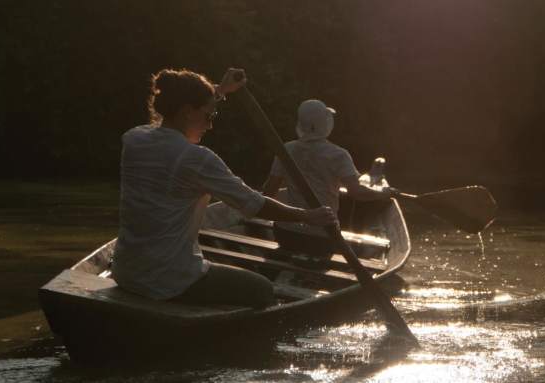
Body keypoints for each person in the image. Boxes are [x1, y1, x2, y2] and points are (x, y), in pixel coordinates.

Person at [111, 68, 336, 309]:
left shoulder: (134, 139)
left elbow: (172, 118)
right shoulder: (196, 159)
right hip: (170, 280)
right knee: (261, 289)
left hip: (125, 271)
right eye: (209, 116)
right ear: (187, 112)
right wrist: (307, 216)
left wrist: (220, 91)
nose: (210, 126)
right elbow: (254, 204)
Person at [261, 99, 392, 256]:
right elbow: (357, 193)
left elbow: (268, 192)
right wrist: (384, 193)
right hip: (322, 237)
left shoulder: (285, 149)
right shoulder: (338, 155)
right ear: (325, 124)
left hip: (286, 234)